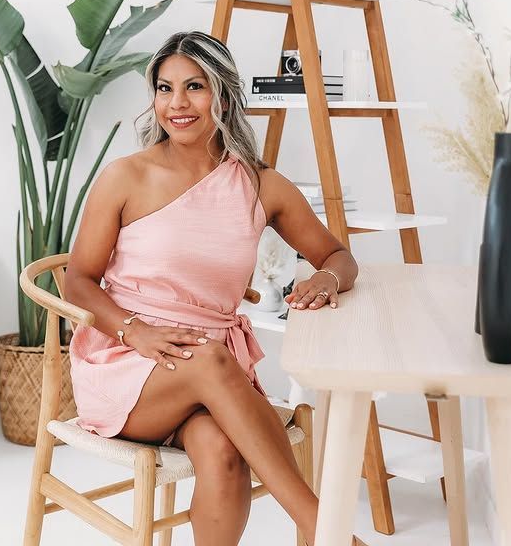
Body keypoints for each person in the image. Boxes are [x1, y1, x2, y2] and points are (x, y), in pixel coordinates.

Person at [65, 31, 360, 546]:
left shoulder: (261, 186)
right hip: (127, 363)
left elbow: (338, 256)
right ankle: (325, 531)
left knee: (224, 455)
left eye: (194, 87)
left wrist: (324, 277)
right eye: (164, 89)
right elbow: (78, 280)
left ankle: (322, 531)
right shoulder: (126, 177)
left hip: (211, 372)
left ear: (223, 94)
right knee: (211, 359)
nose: (176, 104)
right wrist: (135, 332)